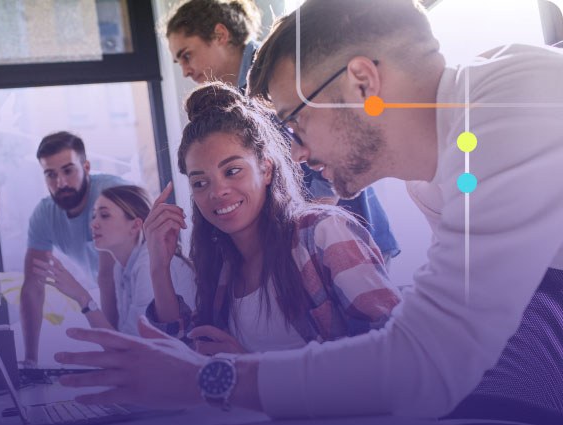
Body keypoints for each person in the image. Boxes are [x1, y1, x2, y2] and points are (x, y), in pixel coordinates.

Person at [55, 0, 563, 423]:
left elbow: (425, 361)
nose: (293, 152)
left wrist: (204, 379)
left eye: (294, 124)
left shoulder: (508, 106)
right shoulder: (432, 181)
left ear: (362, 82)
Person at [143, 82, 400, 355]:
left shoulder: (322, 233)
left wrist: (248, 369)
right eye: (200, 183)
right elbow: (183, 360)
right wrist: (159, 266)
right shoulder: (221, 268)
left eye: (232, 171)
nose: (218, 192)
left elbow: (394, 348)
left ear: (266, 169)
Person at [164, 0, 400, 265]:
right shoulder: (239, 100)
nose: (184, 70)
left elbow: (333, 151)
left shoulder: (276, 78)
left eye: (187, 55)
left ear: (220, 35)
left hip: (341, 237)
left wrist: (306, 234)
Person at [20, 131, 127, 364]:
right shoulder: (44, 215)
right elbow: (33, 287)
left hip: (140, 294)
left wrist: (113, 351)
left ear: (86, 167)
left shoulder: (110, 196)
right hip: (109, 302)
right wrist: (30, 361)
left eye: (68, 170)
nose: (61, 183)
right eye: (51, 174)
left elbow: (107, 278)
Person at [32, 185, 196, 336]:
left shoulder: (147, 265)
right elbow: (124, 338)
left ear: (135, 226)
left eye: (104, 215)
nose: (94, 224)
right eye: (94, 216)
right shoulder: (120, 268)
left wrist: (82, 296)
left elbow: (134, 348)